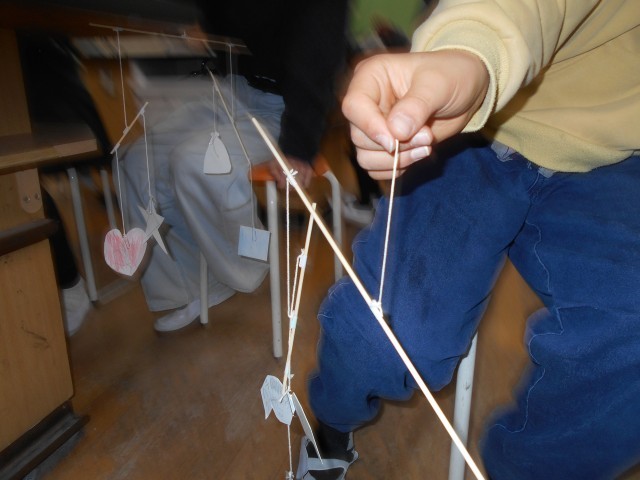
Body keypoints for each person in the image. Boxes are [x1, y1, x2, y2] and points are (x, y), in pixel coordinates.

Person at [297, 1, 640, 479]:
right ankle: (333, 425)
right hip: (476, 124)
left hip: (616, 158)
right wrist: (471, 51)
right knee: (379, 337)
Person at [118, 0, 349, 332]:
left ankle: (248, 261)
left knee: (195, 163)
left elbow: (319, 55)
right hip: (230, 91)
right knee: (139, 160)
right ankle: (193, 286)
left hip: (285, 107)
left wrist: (298, 147)